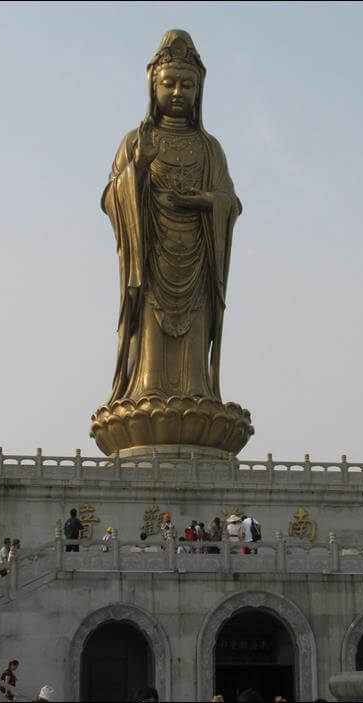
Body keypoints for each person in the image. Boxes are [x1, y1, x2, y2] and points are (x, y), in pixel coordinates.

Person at [91, 28, 251, 457]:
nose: (178, 92)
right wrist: (137, 171)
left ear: (199, 90)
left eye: (187, 84)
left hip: (198, 259)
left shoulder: (209, 148)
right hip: (151, 259)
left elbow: (229, 203)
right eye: (169, 83)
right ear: (153, 84)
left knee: (195, 342)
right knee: (151, 341)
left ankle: (197, 393)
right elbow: (111, 200)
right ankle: (146, 390)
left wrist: (199, 200)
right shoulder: (136, 141)